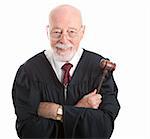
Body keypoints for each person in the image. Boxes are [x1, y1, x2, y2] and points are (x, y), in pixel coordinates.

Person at [12, 4, 120, 139]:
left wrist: (57, 112)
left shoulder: (100, 70)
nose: (63, 40)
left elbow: (103, 128)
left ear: (82, 32)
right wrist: (80, 109)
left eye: (71, 32)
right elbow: (29, 131)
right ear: (47, 31)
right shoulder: (29, 72)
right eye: (57, 32)